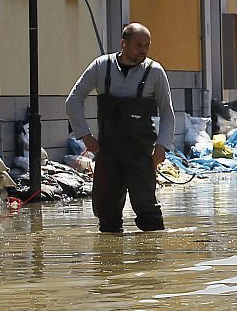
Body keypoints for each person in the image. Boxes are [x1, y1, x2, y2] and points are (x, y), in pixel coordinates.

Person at [66, 23, 175, 234]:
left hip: (141, 153)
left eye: (147, 45)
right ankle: (109, 252)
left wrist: (162, 146)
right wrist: (85, 136)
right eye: (138, 45)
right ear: (124, 43)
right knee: (107, 214)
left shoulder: (154, 72)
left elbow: (167, 112)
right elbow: (73, 100)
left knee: (148, 210)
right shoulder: (101, 66)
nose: (143, 50)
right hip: (108, 152)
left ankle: (153, 252)